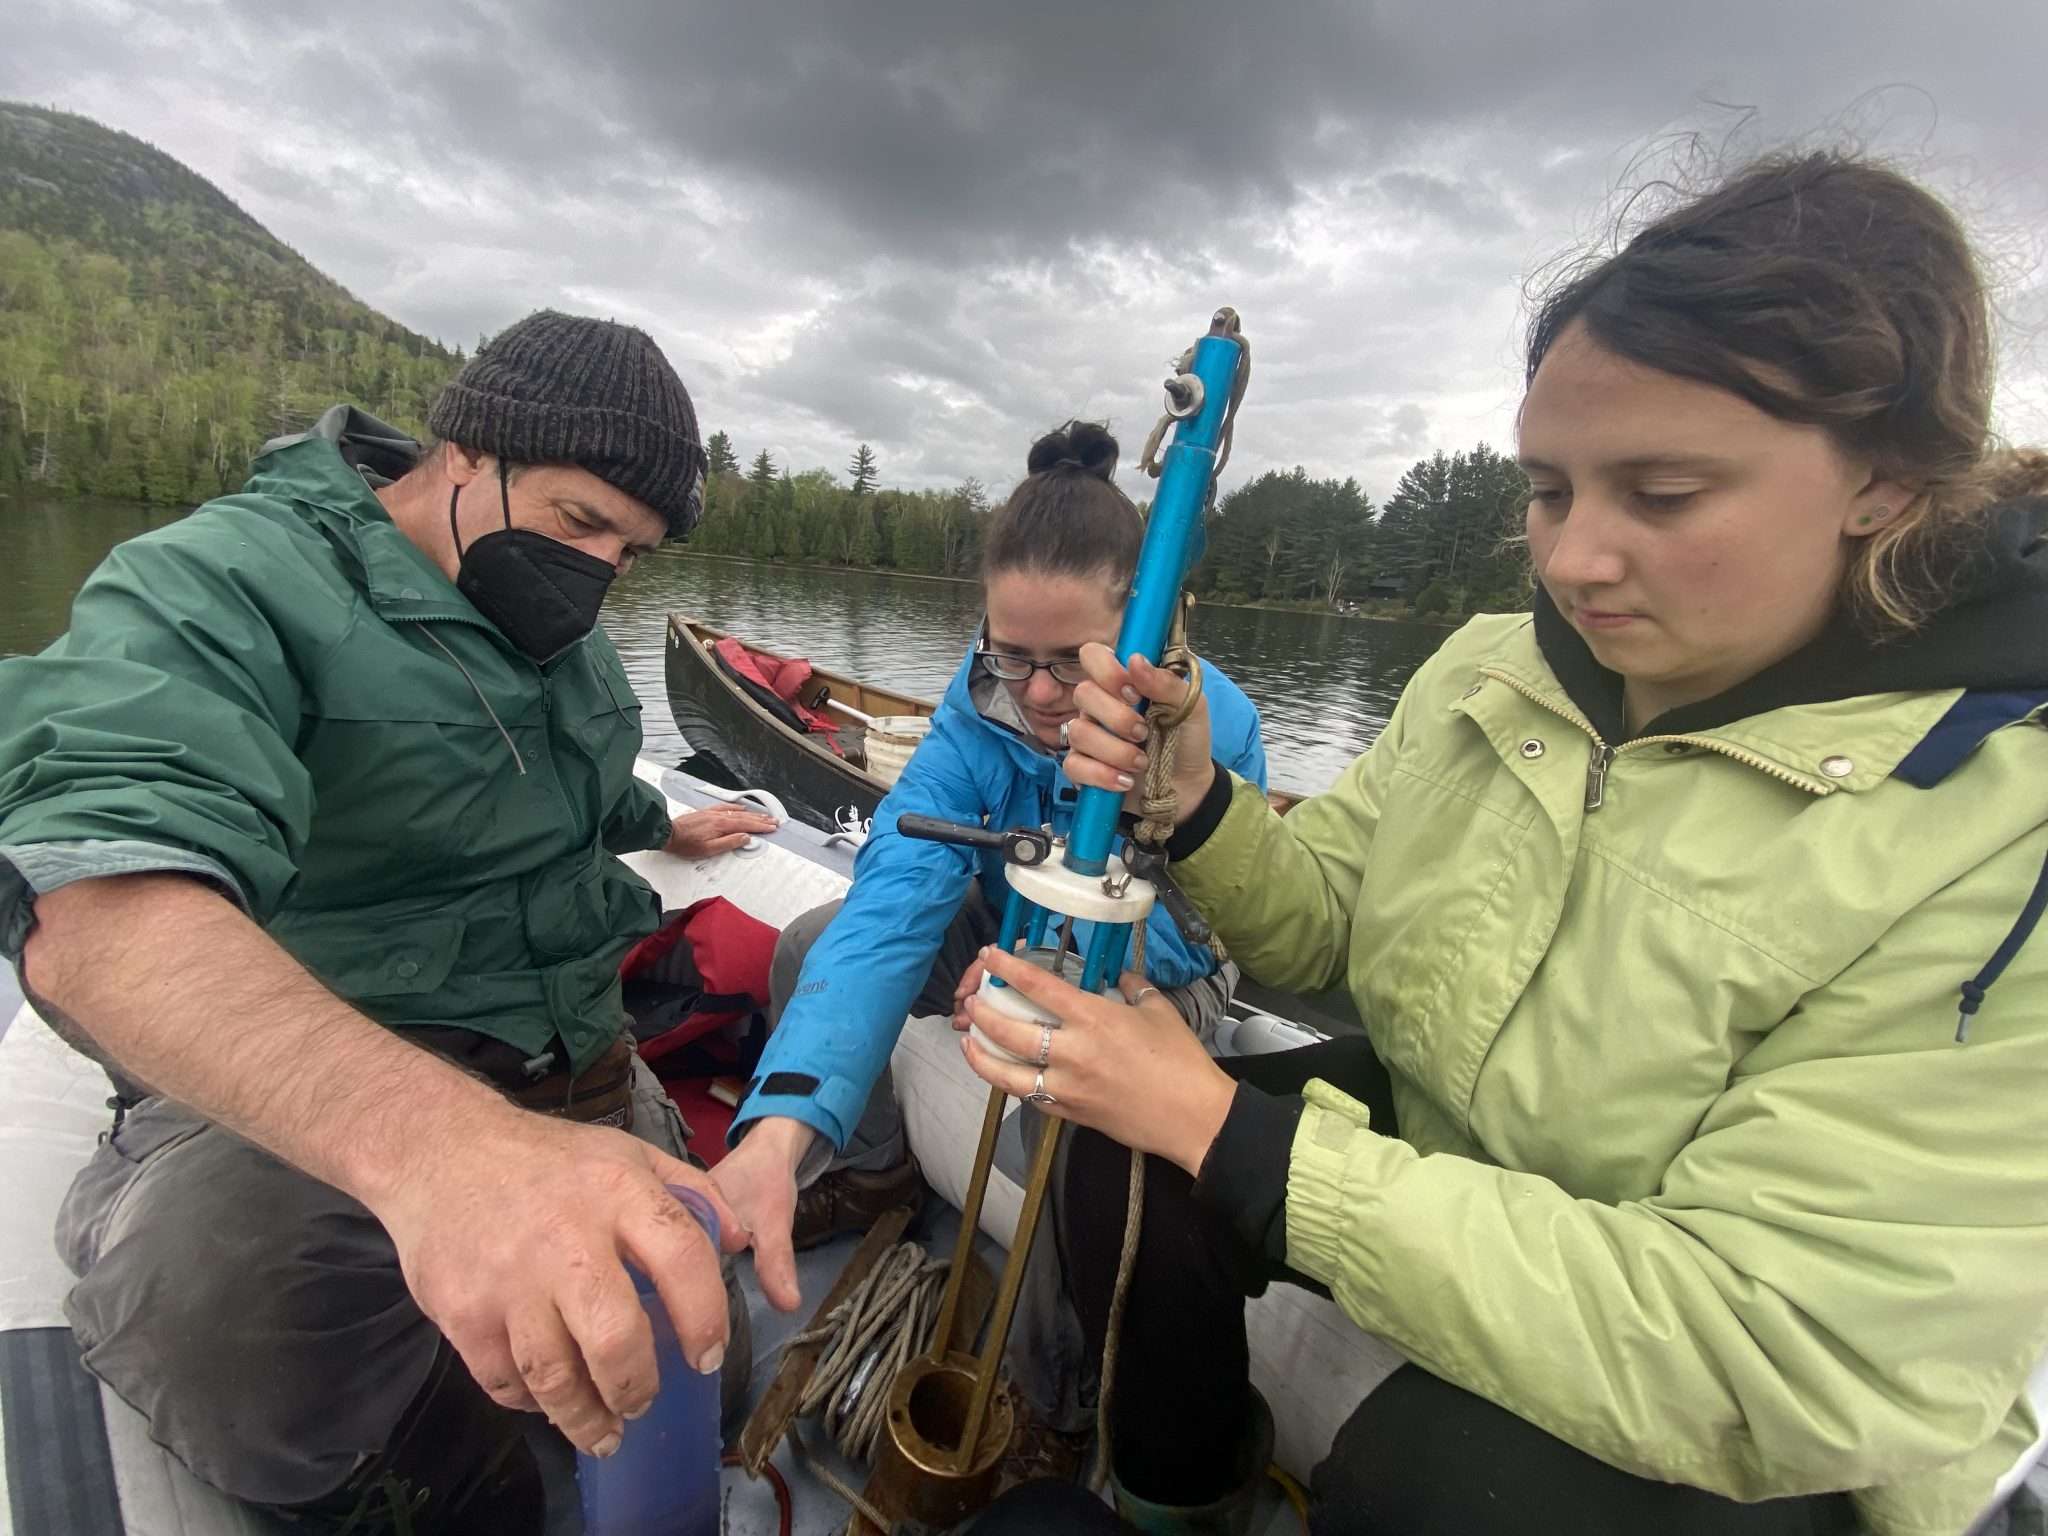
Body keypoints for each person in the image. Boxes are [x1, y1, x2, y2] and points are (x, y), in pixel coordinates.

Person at [963, 153, 2048, 1536]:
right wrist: (1201, 800)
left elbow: (1784, 1345)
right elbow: (1325, 934)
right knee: (1121, 1140)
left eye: (1660, 496)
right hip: (1465, 1157)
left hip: (1781, 1427)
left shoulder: (2003, 822)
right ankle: (1187, 1497)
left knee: (1438, 1485)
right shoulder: (1495, 672)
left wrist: (1227, 1130)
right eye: (1548, 491)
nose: (1572, 560)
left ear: (1883, 485)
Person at [0, 311, 779, 1534]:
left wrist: (659, 823)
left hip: (572, 1068)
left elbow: (559, 775)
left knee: (702, 1364)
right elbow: (98, 891)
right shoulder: (229, 581)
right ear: (465, 451)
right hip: (327, 1092)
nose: (600, 572)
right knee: (226, 1325)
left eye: (631, 554)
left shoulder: (555, 629)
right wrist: (448, 1156)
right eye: (582, 524)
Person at [713, 421, 1268, 1444]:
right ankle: (866, 1165)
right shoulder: (973, 713)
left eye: (1070, 661)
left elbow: (1210, 932)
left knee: (1064, 1099)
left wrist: (1033, 988)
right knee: (810, 944)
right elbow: (892, 905)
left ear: (1141, 621)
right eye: (1012, 657)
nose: (1042, 696)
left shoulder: (1212, 725)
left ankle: (1052, 1393)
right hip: (1011, 917)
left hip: (1155, 962)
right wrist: (777, 1130)